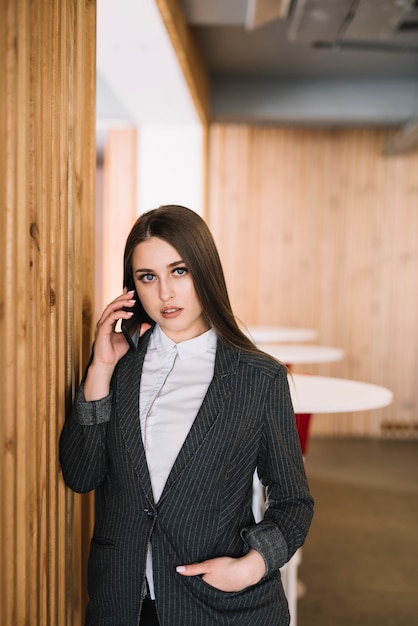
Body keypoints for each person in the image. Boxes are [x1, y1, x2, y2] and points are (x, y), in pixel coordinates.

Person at [59, 205, 314, 626]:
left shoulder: (259, 378)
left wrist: (249, 567)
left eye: (179, 271)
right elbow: (81, 475)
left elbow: (293, 502)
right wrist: (100, 370)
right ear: (133, 288)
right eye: (148, 277)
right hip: (121, 602)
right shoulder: (118, 367)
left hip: (220, 607)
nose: (165, 293)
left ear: (204, 271)